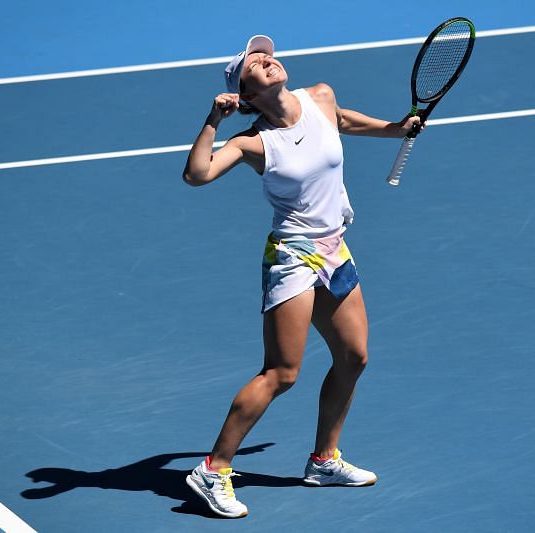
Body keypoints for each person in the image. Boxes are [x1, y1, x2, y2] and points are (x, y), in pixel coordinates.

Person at [182, 35, 421, 519]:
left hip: (335, 248)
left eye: (266, 54)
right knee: (282, 373)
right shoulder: (252, 142)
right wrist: (213, 120)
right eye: (253, 63)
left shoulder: (320, 97)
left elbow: (345, 122)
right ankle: (212, 469)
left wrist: (395, 130)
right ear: (245, 94)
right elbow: (197, 174)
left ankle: (323, 460)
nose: (266, 59)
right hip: (294, 256)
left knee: (353, 357)